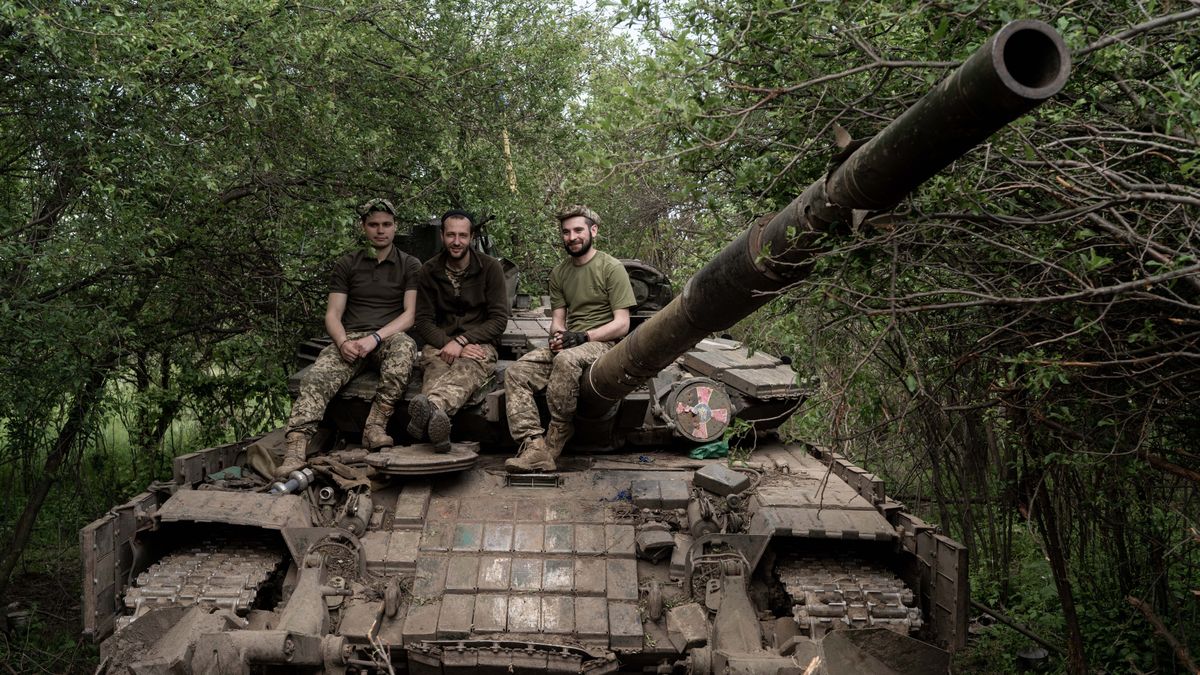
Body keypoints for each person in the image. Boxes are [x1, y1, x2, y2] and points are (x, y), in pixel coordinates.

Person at [277, 198, 420, 477]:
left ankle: (375, 426)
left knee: (405, 348)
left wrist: (375, 339)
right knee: (317, 376)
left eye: (387, 225)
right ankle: (295, 448)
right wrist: (342, 343)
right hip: (351, 339)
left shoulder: (410, 265)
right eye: (374, 225)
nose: (381, 230)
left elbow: (410, 315)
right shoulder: (348, 263)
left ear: (395, 227)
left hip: (387, 338)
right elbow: (333, 313)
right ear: (363, 227)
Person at [504, 205, 637, 473]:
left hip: (603, 344)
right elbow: (558, 320)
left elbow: (622, 324)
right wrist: (556, 335)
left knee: (566, 360)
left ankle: (557, 436)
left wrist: (583, 336)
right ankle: (533, 445)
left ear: (593, 231)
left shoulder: (611, 268)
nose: (572, 237)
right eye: (566, 232)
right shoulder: (559, 273)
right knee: (516, 371)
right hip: (571, 343)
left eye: (578, 230)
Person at [408, 210, 510, 452]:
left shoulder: (490, 268)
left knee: (467, 370)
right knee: (436, 369)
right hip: (439, 343)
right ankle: (438, 430)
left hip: (479, 344)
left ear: (471, 237)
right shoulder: (429, 271)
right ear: (442, 236)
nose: (456, 241)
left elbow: (498, 320)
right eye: (451, 235)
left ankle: (430, 411)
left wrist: (463, 341)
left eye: (462, 235)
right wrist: (448, 343)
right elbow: (422, 321)